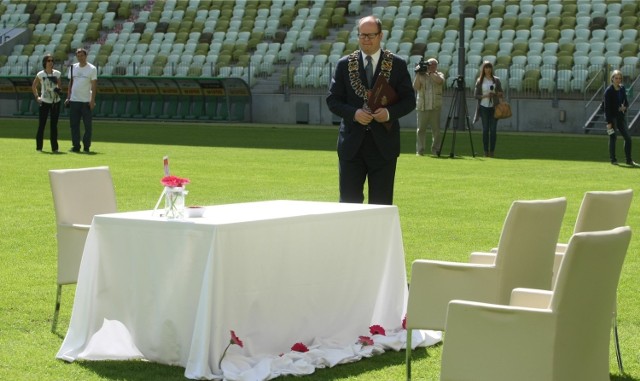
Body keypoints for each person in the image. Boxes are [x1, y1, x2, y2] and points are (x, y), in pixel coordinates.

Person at [326, 15, 415, 205]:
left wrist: (389, 113)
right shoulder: (344, 64)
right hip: (352, 145)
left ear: (380, 35)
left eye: (370, 35)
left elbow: (409, 101)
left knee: (381, 204)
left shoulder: (397, 64)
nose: (366, 40)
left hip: (383, 146)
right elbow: (333, 100)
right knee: (348, 204)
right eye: (362, 35)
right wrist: (354, 114)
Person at [65, 48, 97, 153]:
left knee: (88, 126)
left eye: (82, 56)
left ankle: (86, 146)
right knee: (74, 125)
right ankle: (76, 146)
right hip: (74, 101)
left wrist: (92, 100)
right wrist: (68, 97)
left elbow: (94, 86)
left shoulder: (92, 68)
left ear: (86, 56)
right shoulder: (73, 67)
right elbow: (70, 83)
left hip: (86, 101)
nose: (80, 58)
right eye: (78, 56)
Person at [604, 70, 636, 166]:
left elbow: (626, 101)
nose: (618, 80)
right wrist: (609, 122)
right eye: (616, 78)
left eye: (620, 78)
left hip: (621, 117)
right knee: (613, 137)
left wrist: (624, 107)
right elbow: (607, 108)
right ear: (612, 79)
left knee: (628, 138)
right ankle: (613, 159)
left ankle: (629, 160)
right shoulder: (608, 91)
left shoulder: (622, 88)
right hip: (612, 118)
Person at [413, 57, 444, 156]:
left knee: (436, 131)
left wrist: (430, 73)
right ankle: (420, 150)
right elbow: (416, 87)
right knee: (421, 130)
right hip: (423, 106)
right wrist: (418, 73)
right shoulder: (421, 75)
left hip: (435, 107)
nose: (432, 66)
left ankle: (436, 150)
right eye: (430, 64)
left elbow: (439, 81)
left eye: (435, 64)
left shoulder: (439, 74)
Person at [32, 53, 61, 153]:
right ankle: (39, 147)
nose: (51, 62)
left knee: (54, 126)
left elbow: (59, 87)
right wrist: (37, 97)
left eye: (52, 61)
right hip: (44, 102)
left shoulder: (57, 73)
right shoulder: (40, 74)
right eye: (48, 61)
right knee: (42, 125)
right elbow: (34, 86)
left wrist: (57, 91)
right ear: (45, 62)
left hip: (55, 102)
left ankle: (55, 148)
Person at [473, 61, 504, 157]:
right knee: (485, 129)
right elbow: (475, 95)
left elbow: (501, 92)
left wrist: (496, 94)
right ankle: (486, 151)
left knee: (493, 130)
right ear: (483, 69)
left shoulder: (496, 80)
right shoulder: (480, 80)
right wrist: (485, 96)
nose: (488, 69)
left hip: (494, 107)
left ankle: (492, 151)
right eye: (486, 68)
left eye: (489, 67)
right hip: (483, 107)